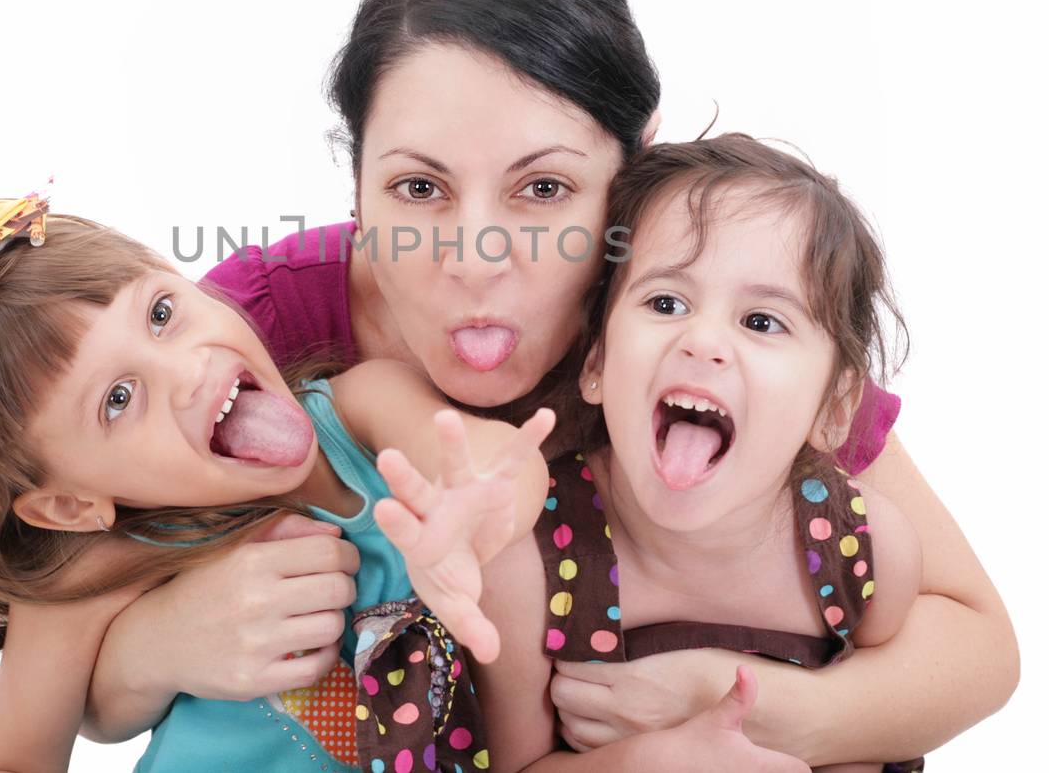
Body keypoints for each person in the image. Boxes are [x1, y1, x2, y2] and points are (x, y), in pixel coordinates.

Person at [82, 0, 1018, 766]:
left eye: (542, 190)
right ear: (356, 185)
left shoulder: (696, 321)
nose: (476, 259)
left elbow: (978, 646)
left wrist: (741, 705)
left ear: (635, 168)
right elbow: (60, 616)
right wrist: (150, 647)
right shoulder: (254, 332)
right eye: (418, 189)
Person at [0, 193, 555, 772]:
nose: (188, 368)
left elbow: (497, 457)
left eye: (161, 313)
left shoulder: (363, 408)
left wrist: (477, 509)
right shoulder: (95, 570)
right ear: (70, 504)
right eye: (118, 398)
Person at [394, 135, 930, 771]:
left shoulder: (865, 552)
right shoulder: (530, 565)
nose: (703, 341)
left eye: (761, 322)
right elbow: (516, 766)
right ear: (596, 364)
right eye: (665, 302)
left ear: (835, 408)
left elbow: (882, 732)